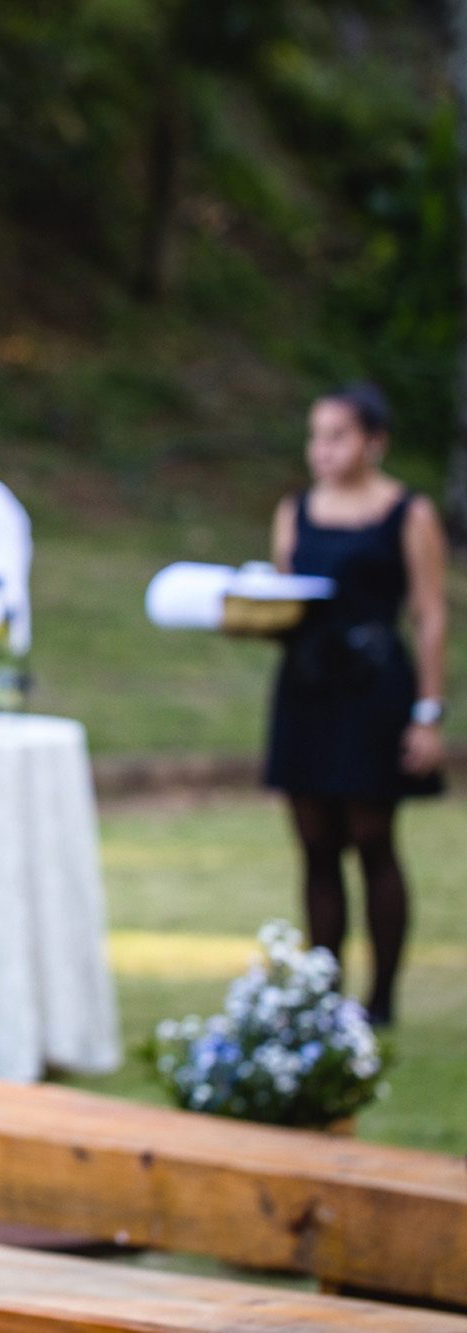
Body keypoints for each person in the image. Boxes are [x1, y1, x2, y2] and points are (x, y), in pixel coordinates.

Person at [267, 382, 448, 1027]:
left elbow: (429, 614)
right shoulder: (295, 510)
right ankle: (323, 993)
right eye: (316, 436)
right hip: (308, 688)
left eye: (338, 436)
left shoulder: (409, 513)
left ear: (375, 441)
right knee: (315, 841)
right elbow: (286, 603)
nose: (323, 450)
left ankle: (382, 1000)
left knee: (372, 838)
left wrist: (429, 711)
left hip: (374, 689)